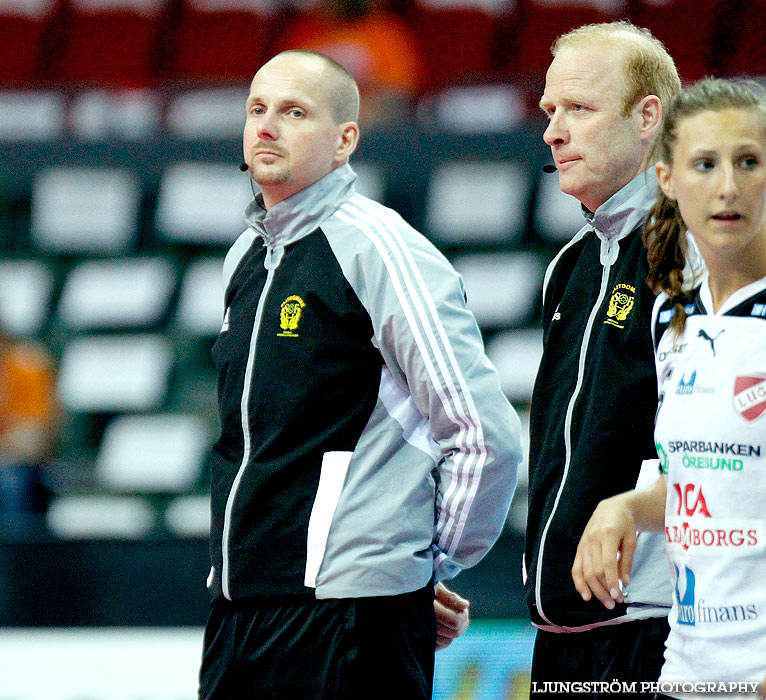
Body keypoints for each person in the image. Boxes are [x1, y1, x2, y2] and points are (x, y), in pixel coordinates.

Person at [197, 49, 522, 699]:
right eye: (257, 110)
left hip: (347, 613)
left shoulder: (379, 247)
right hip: (242, 605)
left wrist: (421, 567)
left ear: (346, 138)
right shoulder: (245, 257)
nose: (266, 127)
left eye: (294, 112)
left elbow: (485, 434)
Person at [573, 78, 766, 700]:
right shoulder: (673, 318)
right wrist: (628, 507)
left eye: (749, 162)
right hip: (686, 673)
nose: (728, 187)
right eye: (704, 164)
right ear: (666, 178)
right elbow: (709, 482)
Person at [0, 328, 58, 524]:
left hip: (19, 465)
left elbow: (33, 439)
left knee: (11, 480)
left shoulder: (27, 367)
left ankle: (14, 553)